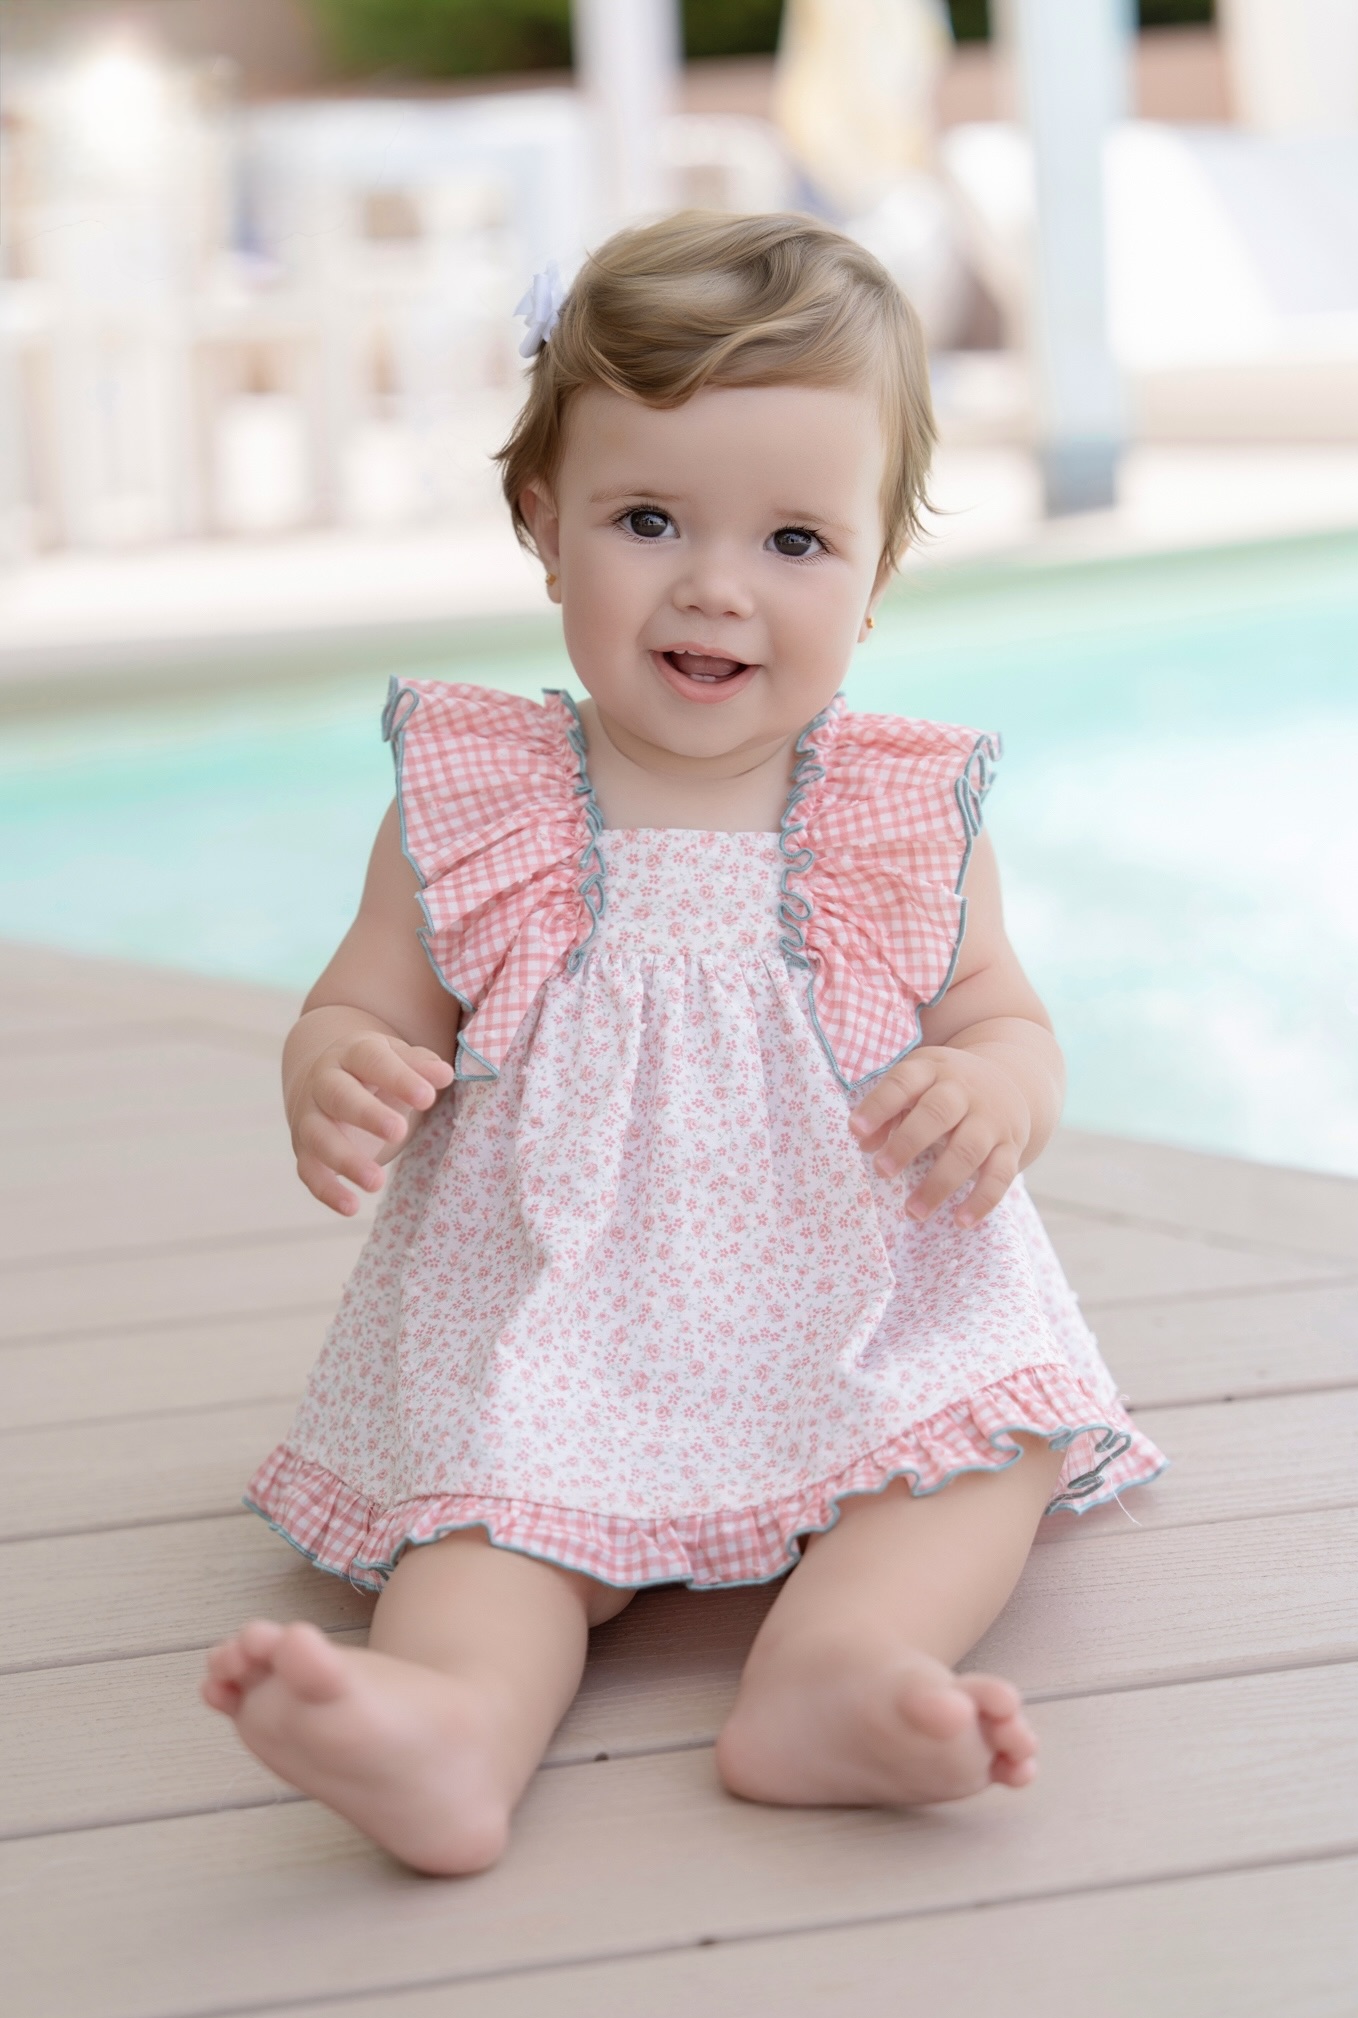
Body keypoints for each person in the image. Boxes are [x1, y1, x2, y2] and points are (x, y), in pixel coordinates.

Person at [202, 212, 1165, 1876]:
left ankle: (836, 1675)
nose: (716, 584)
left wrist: (992, 1087)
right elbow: (366, 999)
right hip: (560, 1312)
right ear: (542, 524)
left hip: (856, 1300)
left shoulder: (893, 813)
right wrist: (336, 1067)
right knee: (493, 1515)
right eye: (647, 520)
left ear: (873, 578)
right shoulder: (481, 800)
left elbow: (999, 1013)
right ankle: (449, 1725)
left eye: (795, 540)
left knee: (983, 1447)